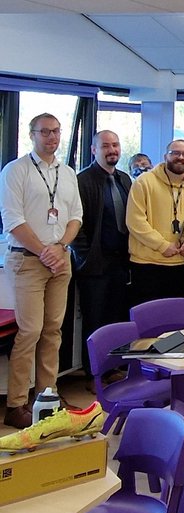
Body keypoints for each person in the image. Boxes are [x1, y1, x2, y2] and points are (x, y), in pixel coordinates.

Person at [0, 113, 83, 428]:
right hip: (27, 260)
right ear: (31, 134)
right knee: (30, 330)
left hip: (61, 258)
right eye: (45, 132)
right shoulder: (16, 171)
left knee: (53, 330)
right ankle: (16, 404)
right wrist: (44, 252)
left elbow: (75, 216)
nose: (52, 137)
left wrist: (60, 247)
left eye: (56, 131)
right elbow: (13, 221)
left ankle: (47, 395)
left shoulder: (68, 173)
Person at [72, 130, 132, 380]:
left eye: (116, 145)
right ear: (94, 150)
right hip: (94, 264)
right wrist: (85, 255)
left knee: (117, 317)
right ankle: (94, 373)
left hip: (121, 261)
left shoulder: (124, 179)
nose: (112, 150)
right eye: (106, 146)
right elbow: (75, 224)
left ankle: (115, 367)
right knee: (95, 320)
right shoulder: (82, 181)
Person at [126, 139, 184, 305]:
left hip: (180, 265)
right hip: (146, 264)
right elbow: (135, 221)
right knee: (149, 323)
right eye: (175, 153)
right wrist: (162, 245)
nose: (180, 157)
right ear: (165, 156)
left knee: (178, 321)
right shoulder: (144, 182)